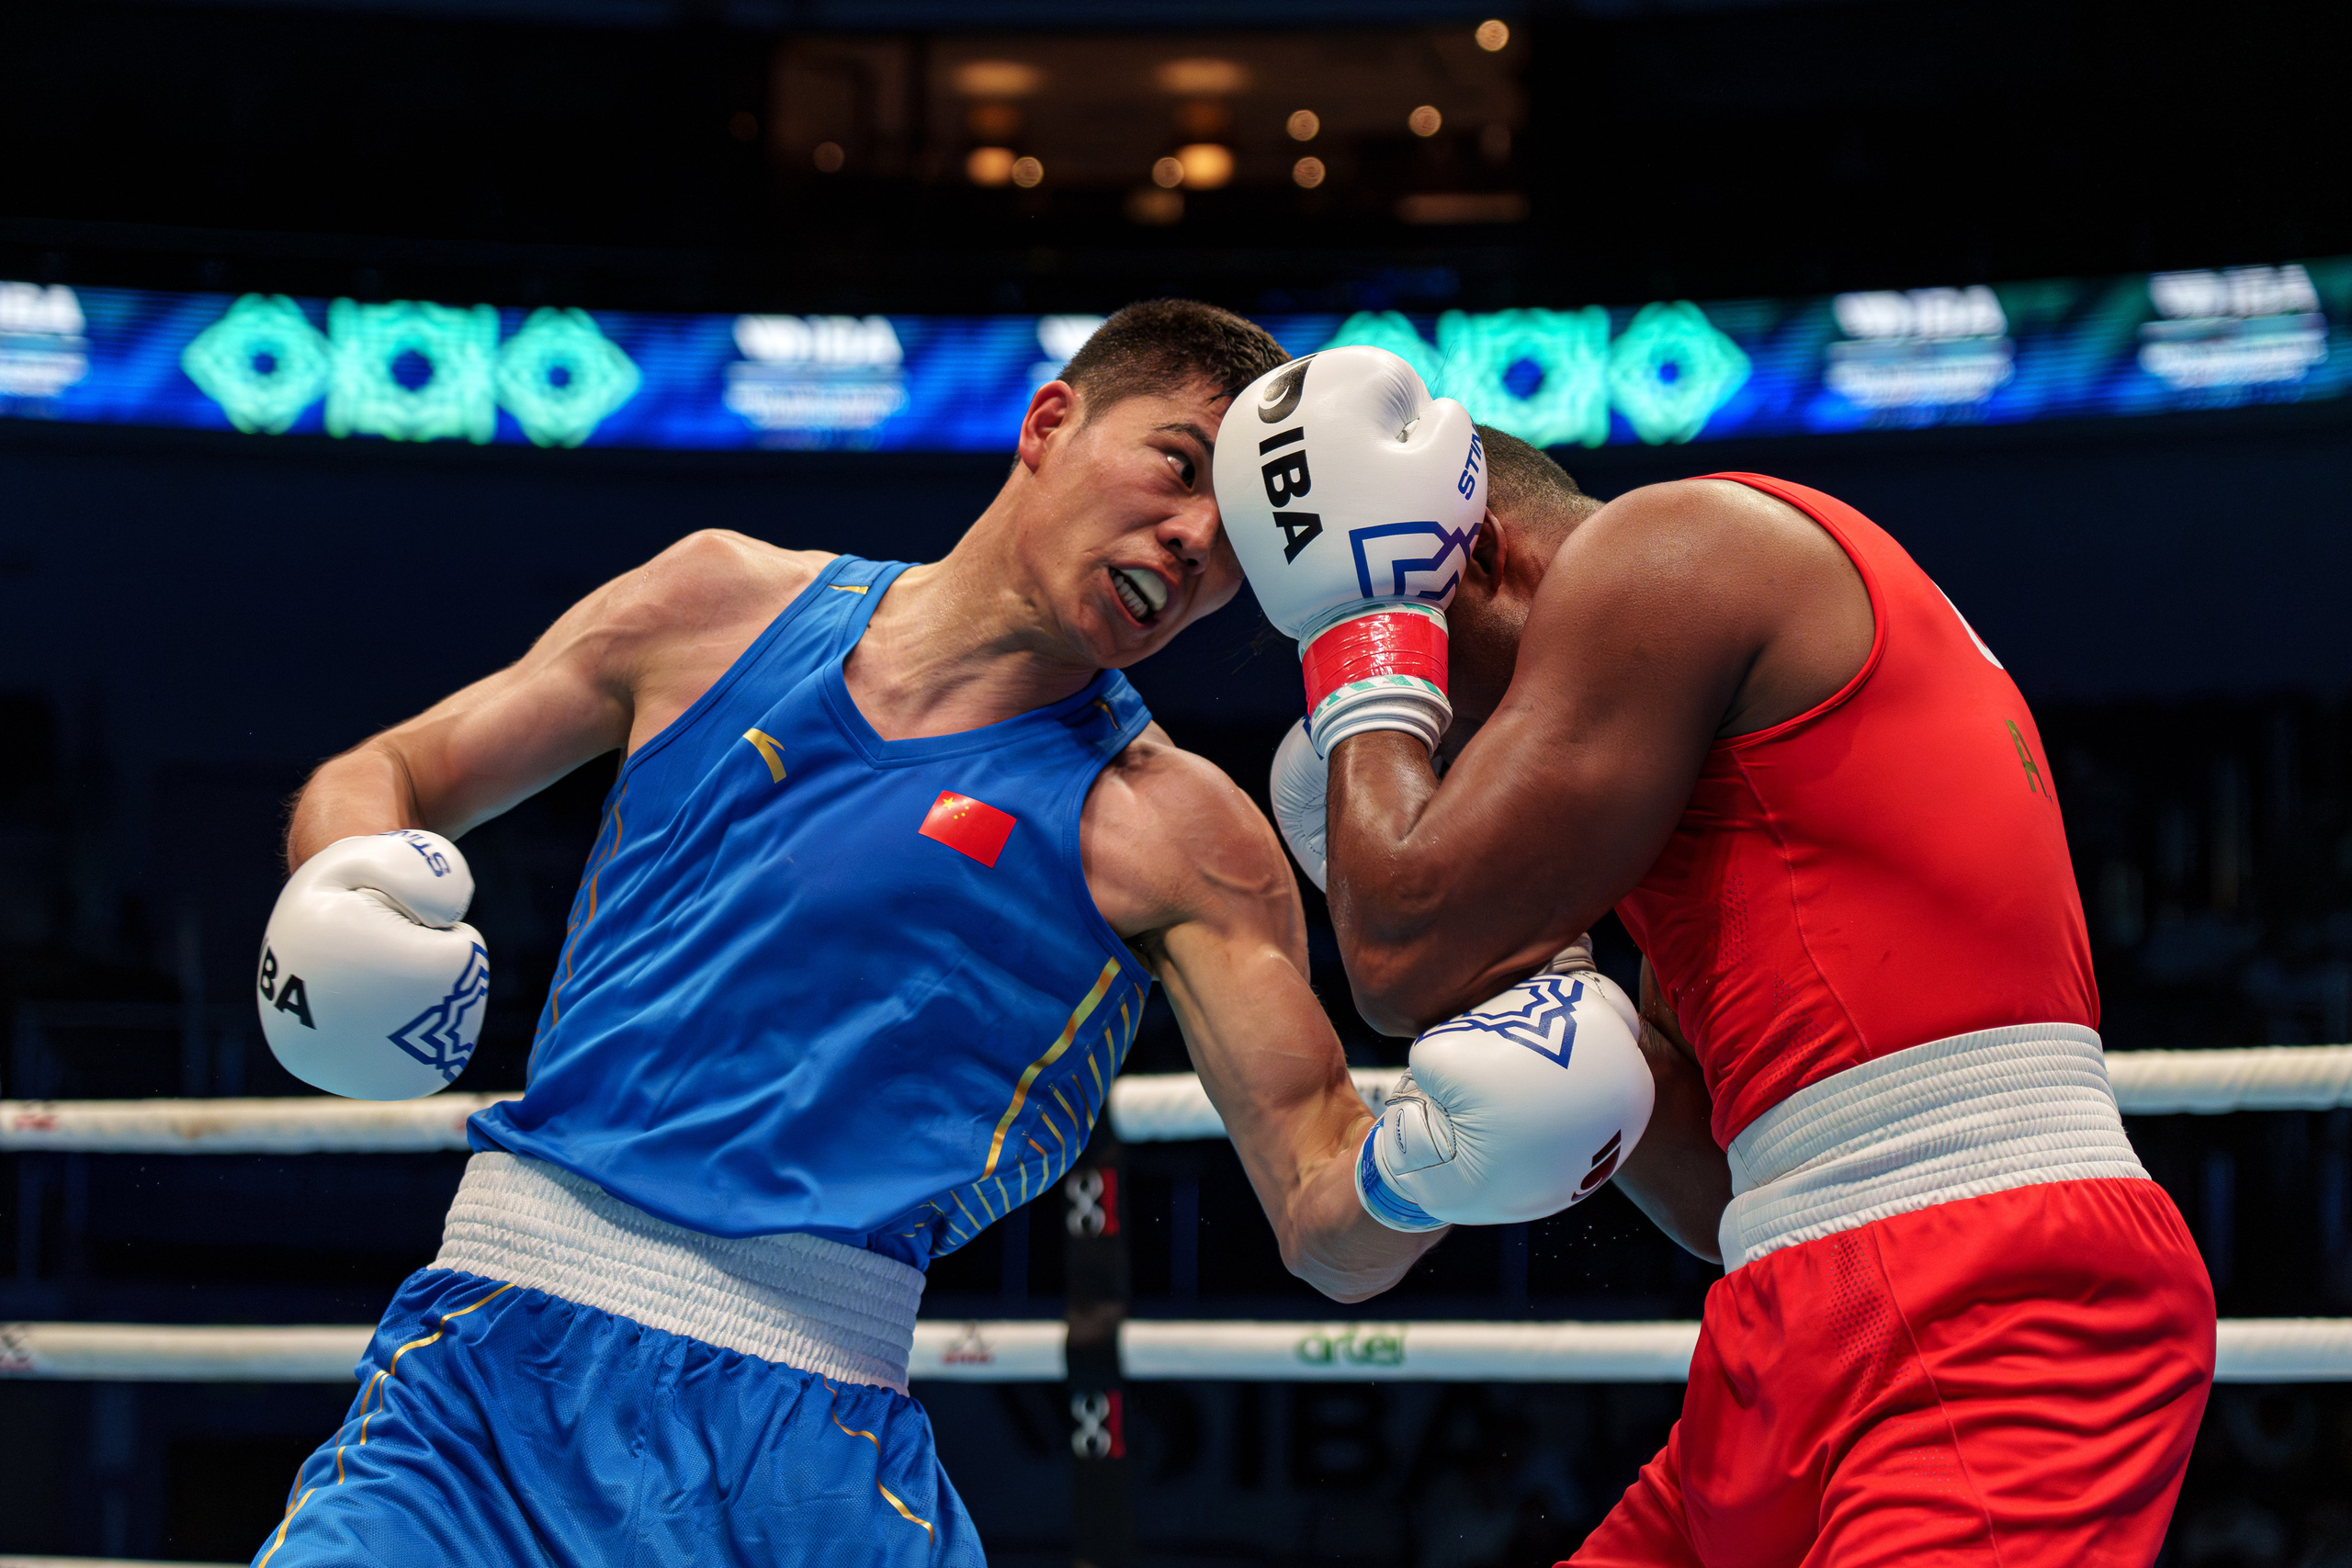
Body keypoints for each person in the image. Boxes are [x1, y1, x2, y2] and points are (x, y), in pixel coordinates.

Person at [248, 301, 1645, 1568]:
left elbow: (1326, 1222)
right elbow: (394, 771)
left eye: (1229, 550)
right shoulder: (714, 604)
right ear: (1049, 423)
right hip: (480, 1386)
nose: (1191, 542)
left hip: (804, 1457)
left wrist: (1427, 1171)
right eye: (1174, 469)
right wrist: (342, 886)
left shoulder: (1178, 835)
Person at [1218, 347, 2216, 1568]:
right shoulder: (1698, 786)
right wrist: (1560, 1015)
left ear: (1469, 556)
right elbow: (1722, 1201)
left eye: (1452, 698)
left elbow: (1399, 954)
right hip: (1790, 1313)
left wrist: (1364, 640)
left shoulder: (1672, 546)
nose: (1466, 750)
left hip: (2000, 1305)